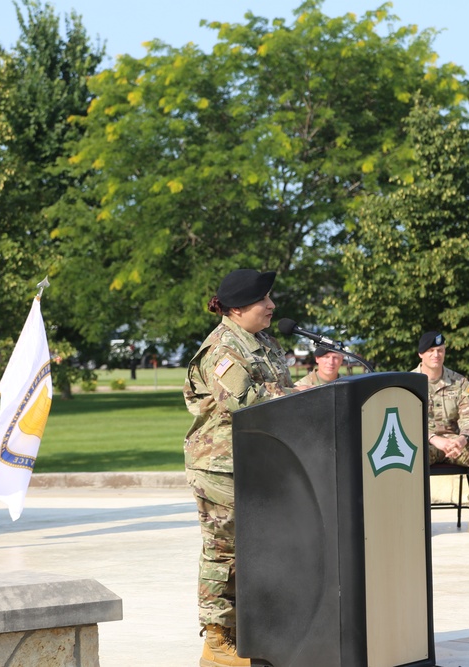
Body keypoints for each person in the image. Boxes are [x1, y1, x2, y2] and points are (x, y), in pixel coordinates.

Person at [182, 268, 299, 667]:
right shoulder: (222, 350)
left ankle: (246, 631)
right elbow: (248, 401)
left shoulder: (261, 342)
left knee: (259, 550)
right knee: (224, 551)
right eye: (263, 300)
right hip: (219, 466)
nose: (272, 306)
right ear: (236, 309)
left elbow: (280, 392)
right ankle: (216, 641)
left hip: (256, 461)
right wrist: (296, 393)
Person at [414, 330, 469, 535]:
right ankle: (411, 517)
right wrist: (434, 439)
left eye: (440, 350)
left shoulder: (460, 383)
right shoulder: (408, 382)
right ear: (421, 354)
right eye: (431, 351)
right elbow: (406, 421)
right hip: (422, 444)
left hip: (455, 444)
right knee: (402, 456)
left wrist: (463, 439)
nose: (436, 355)